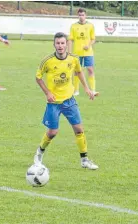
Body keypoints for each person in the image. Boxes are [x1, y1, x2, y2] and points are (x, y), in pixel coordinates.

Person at [33, 32, 98, 170]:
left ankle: (84, 160)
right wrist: (48, 92)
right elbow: (38, 78)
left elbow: (79, 72)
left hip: (69, 100)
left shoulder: (74, 59)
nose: (60, 46)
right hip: (54, 103)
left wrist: (87, 89)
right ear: (54, 44)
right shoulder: (47, 61)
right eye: (58, 43)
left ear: (67, 44)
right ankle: (39, 153)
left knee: (79, 129)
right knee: (52, 132)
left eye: (63, 43)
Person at [68, 8, 98, 97]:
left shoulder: (90, 26)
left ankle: (93, 90)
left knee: (90, 70)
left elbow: (93, 39)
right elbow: (70, 40)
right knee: (77, 71)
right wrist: (69, 52)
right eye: (80, 15)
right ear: (78, 15)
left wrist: (88, 46)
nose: (81, 17)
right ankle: (76, 90)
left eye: (83, 15)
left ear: (85, 15)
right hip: (77, 53)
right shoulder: (73, 26)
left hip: (88, 52)